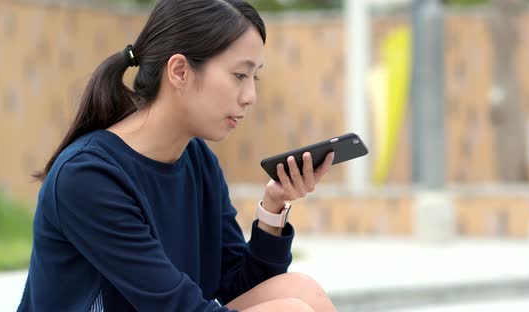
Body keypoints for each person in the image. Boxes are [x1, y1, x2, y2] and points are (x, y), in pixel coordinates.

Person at [17, 0, 337, 311]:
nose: (250, 97)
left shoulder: (198, 159)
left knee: (300, 290)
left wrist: (273, 208)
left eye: (255, 77)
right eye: (240, 75)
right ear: (180, 71)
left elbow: (240, 286)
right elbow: (174, 306)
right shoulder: (88, 176)